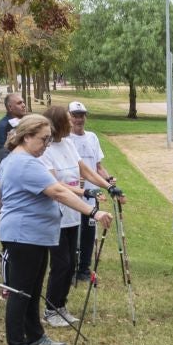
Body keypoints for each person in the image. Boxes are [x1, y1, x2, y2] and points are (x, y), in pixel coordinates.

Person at [0, 115, 111, 345]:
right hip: (24, 236)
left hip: (35, 236)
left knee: (31, 289)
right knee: (20, 291)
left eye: (48, 140)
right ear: (26, 136)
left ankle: (35, 335)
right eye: (43, 139)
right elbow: (58, 191)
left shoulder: (17, 160)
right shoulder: (24, 164)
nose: (46, 145)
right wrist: (93, 211)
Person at [40, 105, 107, 329]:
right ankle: (51, 309)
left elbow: (86, 171)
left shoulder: (68, 144)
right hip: (55, 215)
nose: (73, 123)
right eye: (68, 120)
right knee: (61, 263)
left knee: (71, 264)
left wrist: (108, 186)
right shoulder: (45, 150)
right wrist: (84, 192)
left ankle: (61, 305)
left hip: (73, 214)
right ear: (58, 123)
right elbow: (54, 185)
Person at [67, 101, 121, 283]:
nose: (79, 119)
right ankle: (71, 270)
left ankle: (84, 269)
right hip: (73, 194)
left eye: (81, 115)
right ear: (68, 116)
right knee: (73, 234)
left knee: (89, 234)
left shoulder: (92, 137)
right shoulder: (66, 139)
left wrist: (108, 180)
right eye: (75, 115)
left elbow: (98, 167)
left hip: (92, 196)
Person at [0, 92, 27, 177]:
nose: (23, 105)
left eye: (23, 102)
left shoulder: (24, 123)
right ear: (10, 107)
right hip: (7, 178)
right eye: (19, 103)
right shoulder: (1, 127)